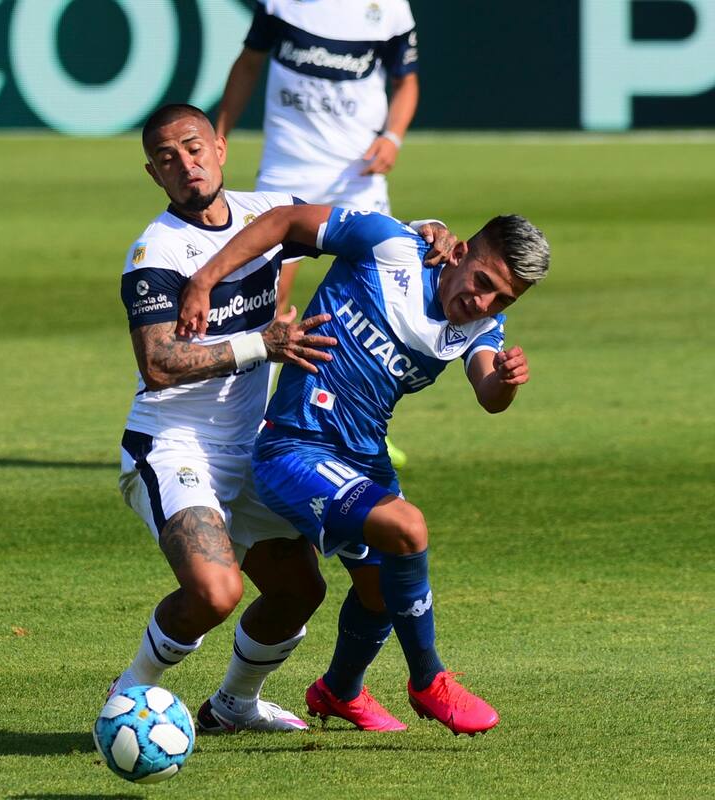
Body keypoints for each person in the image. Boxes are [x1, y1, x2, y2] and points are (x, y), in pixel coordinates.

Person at [176, 206, 549, 735]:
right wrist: (204, 279)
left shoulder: (484, 325)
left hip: (361, 457)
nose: (481, 302)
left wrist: (508, 380)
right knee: (408, 527)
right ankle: (429, 679)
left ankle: (339, 691)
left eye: (502, 298)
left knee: (380, 591)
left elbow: (488, 392)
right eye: (483, 282)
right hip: (293, 447)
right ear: (461, 252)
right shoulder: (388, 244)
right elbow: (285, 221)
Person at [113, 103, 337, 734]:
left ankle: (233, 705)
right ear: (154, 175)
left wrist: (424, 228)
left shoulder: (267, 213)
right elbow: (158, 363)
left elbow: (354, 231)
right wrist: (260, 345)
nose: (185, 165)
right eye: (166, 159)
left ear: (220, 147)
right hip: (171, 445)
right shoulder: (155, 251)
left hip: (249, 451)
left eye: (193, 148)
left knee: (300, 592)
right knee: (216, 593)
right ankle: (127, 693)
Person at [216, 0, 420, 467]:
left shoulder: (388, 9)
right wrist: (219, 133)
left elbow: (406, 81)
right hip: (287, 169)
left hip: (357, 177)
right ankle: (246, 431)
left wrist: (392, 137)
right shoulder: (280, 3)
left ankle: (361, 428)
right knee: (263, 302)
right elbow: (248, 65)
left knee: (379, 309)